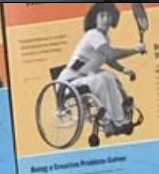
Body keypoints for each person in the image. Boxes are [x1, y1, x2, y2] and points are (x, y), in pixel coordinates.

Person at [58, 5, 145, 141]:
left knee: (109, 76)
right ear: (95, 19)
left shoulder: (104, 39)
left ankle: (120, 121)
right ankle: (107, 122)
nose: (106, 19)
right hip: (68, 83)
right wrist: (135, 50)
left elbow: (107, 58)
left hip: (86, 78)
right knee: (102, 79)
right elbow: (110, 53)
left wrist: (123, 69)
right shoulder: (93, 35)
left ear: (113, 19)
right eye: (102, 16)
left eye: (109, 16)